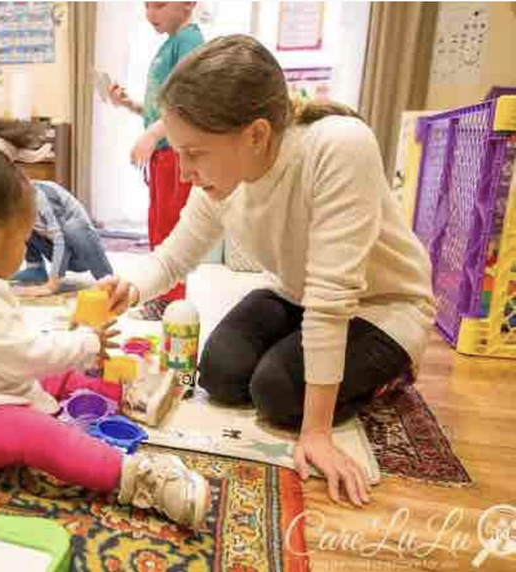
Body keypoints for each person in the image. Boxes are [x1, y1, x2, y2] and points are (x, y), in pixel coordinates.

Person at [100, 35, 435, 507]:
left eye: (194, 154)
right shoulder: (223, 178)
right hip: (297, 293)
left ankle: (393, 370)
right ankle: (303, 363)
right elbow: (174, 256)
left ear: (256, 134)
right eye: (179, 153)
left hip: (382, 307)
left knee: (276, 392)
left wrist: (316, 432)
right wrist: (128, 288)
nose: (184, 173)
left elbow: (331, 297)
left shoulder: (338, 147)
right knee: (220, 373)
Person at [0, 144, 210, 529]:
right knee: (38, 433)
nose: (27, 249)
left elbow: (12, 351)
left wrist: (74, 343)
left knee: (57, 375)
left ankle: (127, 395)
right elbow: (24, 356)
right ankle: (138, 479)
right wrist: (85, 344)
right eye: (24, 239)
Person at [108, 1, 204, 320]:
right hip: (164, 153)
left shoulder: (189, 41)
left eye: (159, 4)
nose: (151, 14)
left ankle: (169, 299)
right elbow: (160, 107)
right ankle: (161, 295)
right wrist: (131, 105)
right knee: (157, 223)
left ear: (188, 3)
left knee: (170, 226)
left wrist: (151, 135)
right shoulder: (170, 46)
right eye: (147, 5)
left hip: (176, 152)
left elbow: (188, 101)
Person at [0, 121, 113, 296]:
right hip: (51, 247)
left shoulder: (38, 196)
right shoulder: (6, 200)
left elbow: (61, 240)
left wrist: (51, 286)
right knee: (22, 227)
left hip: (78, 253)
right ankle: (35, 268)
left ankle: (106, 277)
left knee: (73, 228)